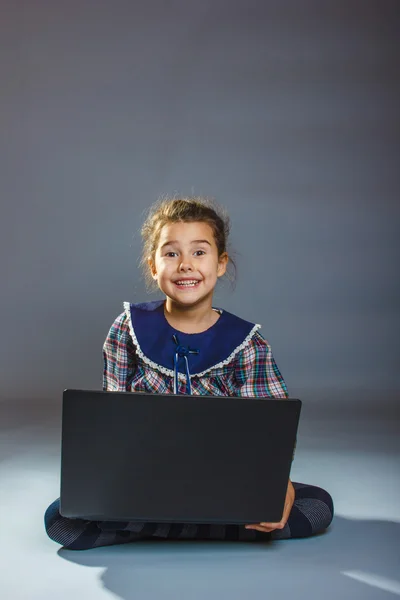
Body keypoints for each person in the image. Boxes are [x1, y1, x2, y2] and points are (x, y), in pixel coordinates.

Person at [45, 196, 334, 550]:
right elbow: (113, 424)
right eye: (171, 253)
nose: (185, 265)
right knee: (61, 519)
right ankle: (210, 528)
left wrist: (281, 487)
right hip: (145, 477)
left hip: (225, 479)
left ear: (221, 262)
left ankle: (156, 529)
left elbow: (271, 433)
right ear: (153, 266)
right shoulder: (127, 329)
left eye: (199, 252)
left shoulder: (248, 343)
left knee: (316, 505)